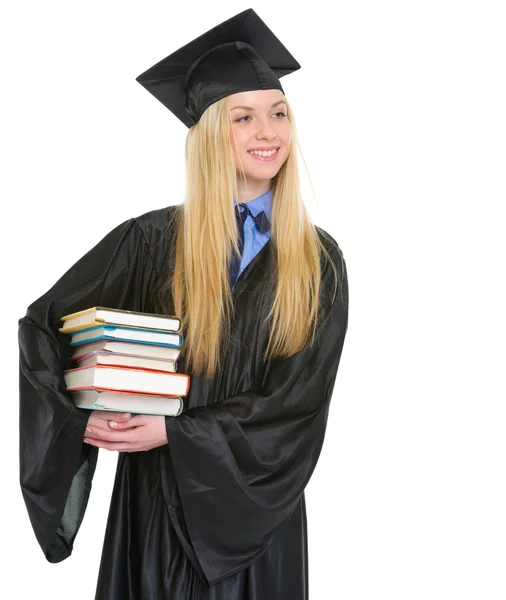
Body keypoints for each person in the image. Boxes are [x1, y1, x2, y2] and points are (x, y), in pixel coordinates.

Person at [18, 8, 349, 600]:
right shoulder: (149, 242)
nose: (266, 132)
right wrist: (78, 419)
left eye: (278, 114)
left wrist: (178, 434)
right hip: (156, 507)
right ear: (208, 133)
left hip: (258, 521)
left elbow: (299, 402)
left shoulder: (317, 259)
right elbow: (44, 327)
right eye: (242, 117)